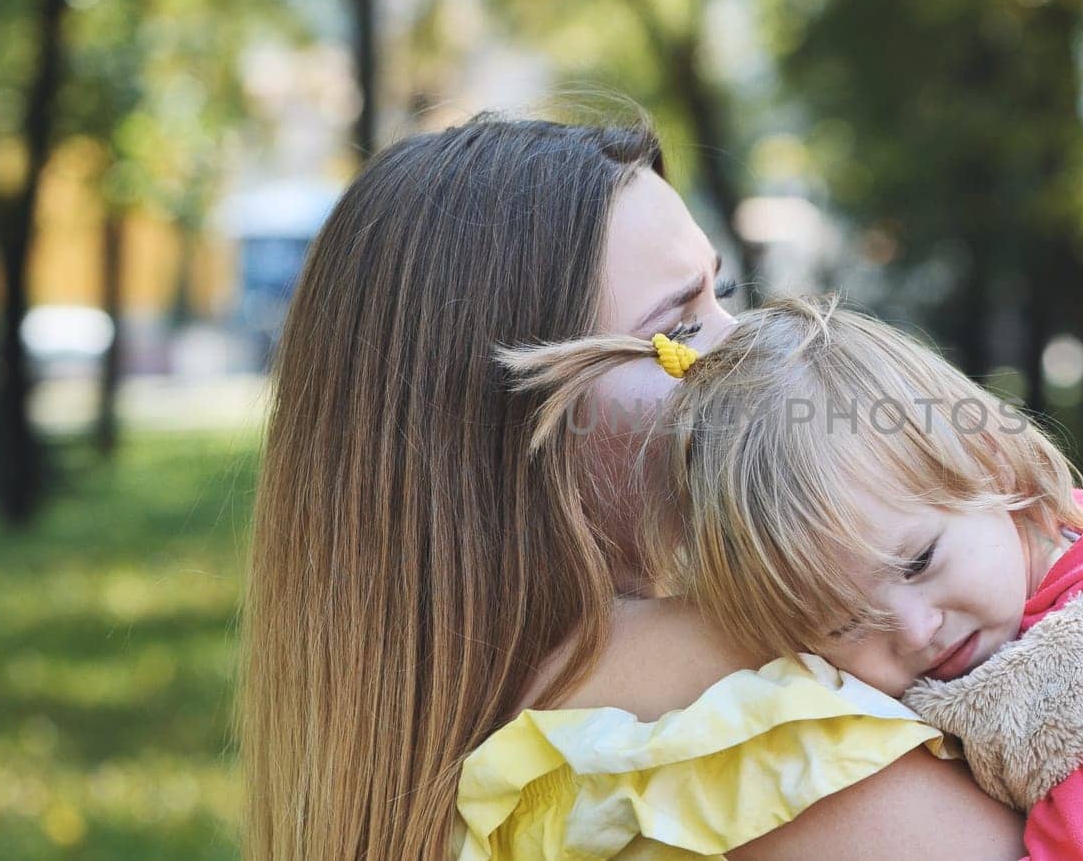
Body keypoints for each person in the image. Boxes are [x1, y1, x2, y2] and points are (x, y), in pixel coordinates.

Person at [239, 114, 1030, 860]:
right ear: (505, 428)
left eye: (721, 296)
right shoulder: (729, 708)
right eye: (680, 329)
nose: (748, 352)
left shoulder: (404, 725)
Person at [502, 295, 1083, 859]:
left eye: (918, 562)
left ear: (990, 463)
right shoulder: (1003, 586)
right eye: (840, 625)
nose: (912, 629)